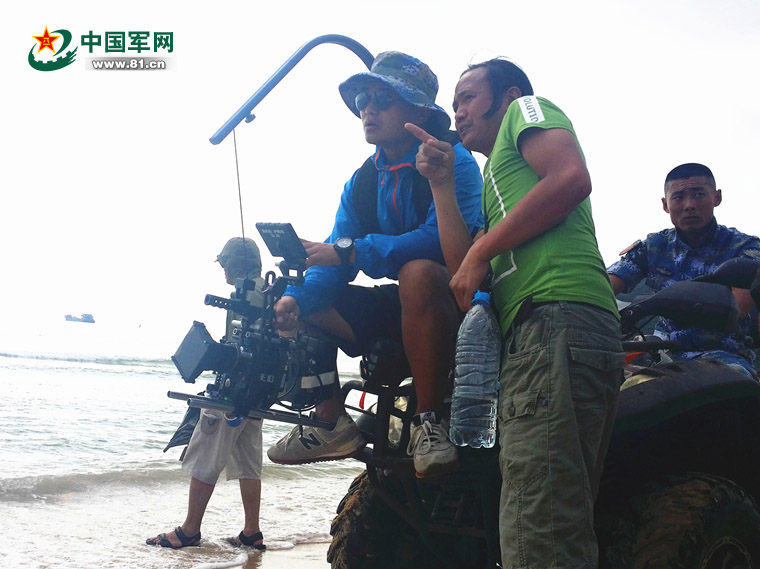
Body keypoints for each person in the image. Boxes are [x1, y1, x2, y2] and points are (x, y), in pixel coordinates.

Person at [407, 58, 624, 569]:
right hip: (547, 329)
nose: (458, 111)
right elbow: (463, 274)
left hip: (554, 316)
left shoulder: (527, 110)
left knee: (539, 524)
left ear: (507, 96)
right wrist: (441, 183)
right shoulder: (497, 182)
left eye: (468, 97)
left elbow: (571, 177)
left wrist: (483, 252)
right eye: (455, 103)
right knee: (551, 511)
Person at [266, 51, 483, 478]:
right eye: (363, 99)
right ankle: (331, 420)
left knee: (417, 271)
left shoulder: (450, 159)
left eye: (383, 99)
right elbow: (334, 259)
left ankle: (427, 422)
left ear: (419, 111)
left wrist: (351, 251)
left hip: (455, 303)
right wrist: (295, 298)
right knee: (295, 298)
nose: (368, 109)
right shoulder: (363, 180)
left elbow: (438, 242)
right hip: (402, 307)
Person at [147, 237, 267, 550]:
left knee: (205, 455)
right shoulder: (268, 293)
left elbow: (239, 348)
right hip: (257, 396)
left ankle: (189, 530)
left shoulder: (244, 294)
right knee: (249, 463)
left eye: (225, 264)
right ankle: (251, 531)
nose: (223, 270)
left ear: (236, 264)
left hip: (233, 393)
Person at [607, 163, 760, 377]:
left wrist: (666, 303)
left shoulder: (745, 248)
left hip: (722, 355)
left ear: (717, 197)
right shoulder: (654, 246)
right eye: (678, 197)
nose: (689, 205)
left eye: (698, 194)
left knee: (733, 382)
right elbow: (607, 284)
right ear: (665, 204)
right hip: (659, 351)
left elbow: (737, 307)